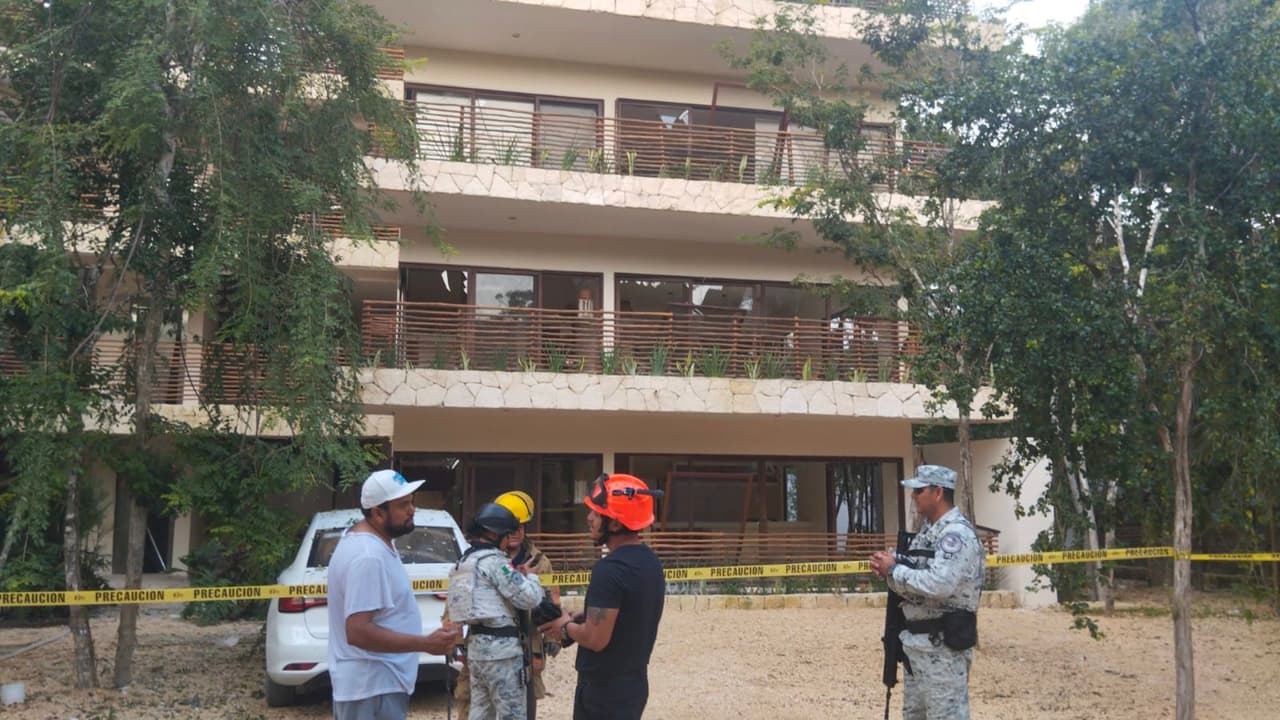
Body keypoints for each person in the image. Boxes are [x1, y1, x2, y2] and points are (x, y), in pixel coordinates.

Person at [327, 469, 463, 720]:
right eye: (403, 505)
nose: (412, 510)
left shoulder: (373, 543)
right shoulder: (368, 556)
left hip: (378, 685)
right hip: (371, 688)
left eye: (411, 502)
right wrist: (425, 644)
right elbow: (357, 631)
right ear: (378, 513)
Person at [539, 474, 665, 720]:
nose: (589, 518)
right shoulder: (650, 562)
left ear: (615, 524)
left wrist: (564, 626)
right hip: (633, 684)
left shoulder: (609, 570)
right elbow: (628, 612)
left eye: (596, 514)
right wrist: (585, 615)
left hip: (603, 691)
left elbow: (595, 639)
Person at [869, 465, 985, 720]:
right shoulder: (928, 533)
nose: (914, 496)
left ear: (938, 492)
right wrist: (891, 565)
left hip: (943, 650)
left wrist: (895, 570)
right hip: (917, 647)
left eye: (919, 491)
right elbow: (917, 575)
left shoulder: (955, 534)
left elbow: (939, 584)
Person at [451, 491, 560, 719]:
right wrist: (530, 577)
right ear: (494, 533)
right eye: (506, 533)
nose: (509, 538)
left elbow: (456, 609)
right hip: (502, 653)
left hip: (477, 651)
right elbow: (529, 598)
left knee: (480, 712)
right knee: (512, 714)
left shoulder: (463, 563)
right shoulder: (496, 563)